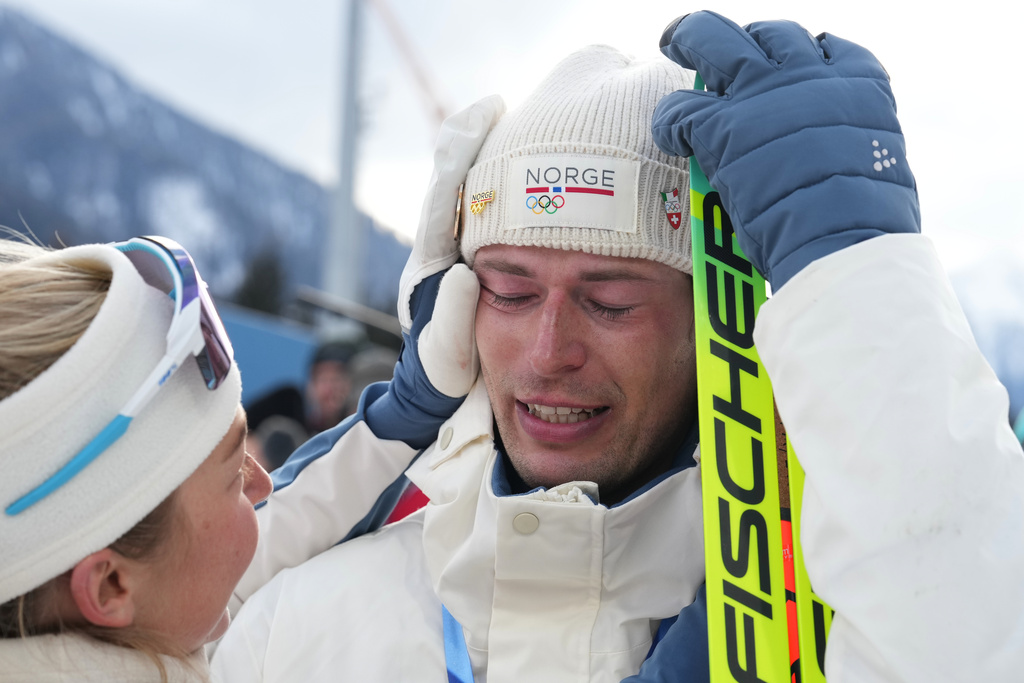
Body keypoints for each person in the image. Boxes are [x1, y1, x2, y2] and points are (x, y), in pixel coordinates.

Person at [214, 11, 1024, 683]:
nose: (548, 349)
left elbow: (968, 636)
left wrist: (860, 284)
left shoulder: (836, 607)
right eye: (509, 290)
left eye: (610, 301)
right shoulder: (299, 630)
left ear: (715, 325)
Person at [0, 231, 475, 681]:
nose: (264, 484)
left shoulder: (138, 613)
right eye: (233, 477)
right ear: (110, 587)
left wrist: (398, 420)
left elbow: (243, 547)